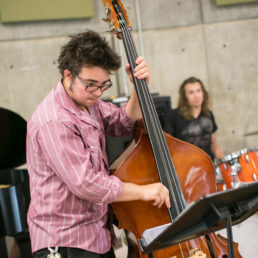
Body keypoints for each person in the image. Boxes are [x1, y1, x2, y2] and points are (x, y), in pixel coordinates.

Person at [26, 30, 171, 258]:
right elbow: (86, 183)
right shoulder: (53, 121)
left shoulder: (88, 101)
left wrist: (138, 88)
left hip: (96, 236)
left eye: (104, 85)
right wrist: (142, 192)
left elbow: (122, 122)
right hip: (66, 242)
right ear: (67, 75)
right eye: (91, 84)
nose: (98, 92)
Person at [164, 77, 224, 161]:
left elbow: (214, 147)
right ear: (185, 97)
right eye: (191, 92)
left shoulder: (208, 114)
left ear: (203, 93)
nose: (196, 96)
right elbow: (168, 147)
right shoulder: (174, 115)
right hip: (186, 169)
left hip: (208, 167)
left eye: (198, 91)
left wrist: (225, 162)